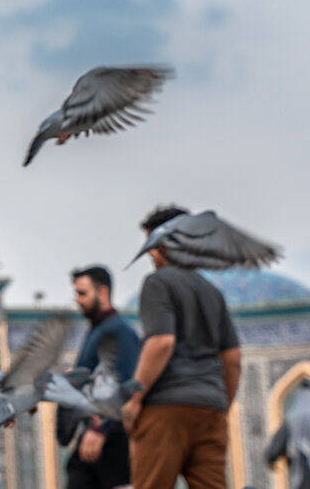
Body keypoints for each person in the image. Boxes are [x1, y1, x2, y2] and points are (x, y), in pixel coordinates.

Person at [121, 206, 242, 489]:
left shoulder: (158, 282)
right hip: (210, 408)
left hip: (166, 407)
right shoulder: (211, 291)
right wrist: (221, 405)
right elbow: (233, 358)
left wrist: (135, 398)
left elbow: (162, 342)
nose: (150, 253)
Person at [66, 265, 140, 489]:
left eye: (83, 293)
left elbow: (123, 384)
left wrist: (101, 429)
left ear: (103, 293)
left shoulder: (119, 332)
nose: (77, 300)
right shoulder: (99, 330)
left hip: (112, 440)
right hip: (93, 439)